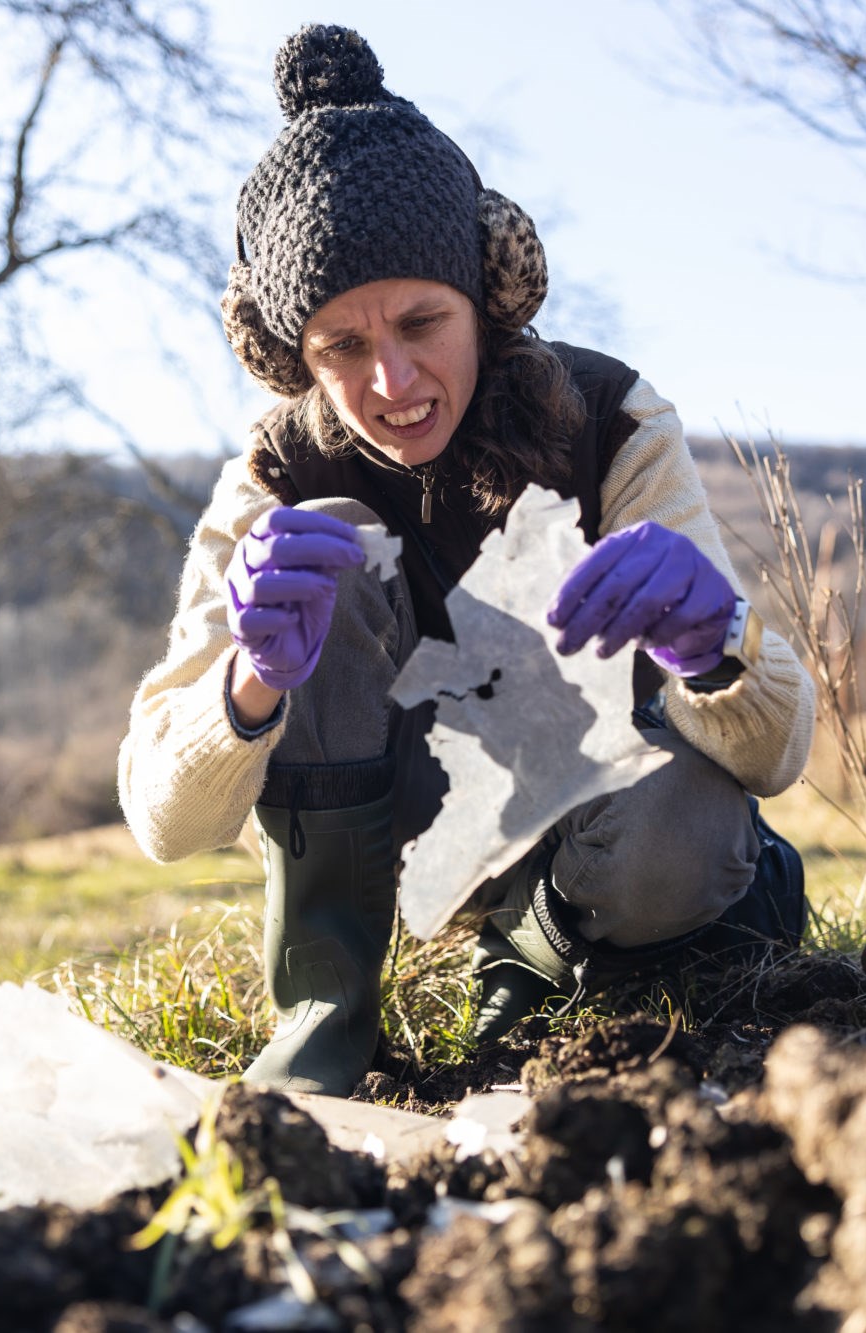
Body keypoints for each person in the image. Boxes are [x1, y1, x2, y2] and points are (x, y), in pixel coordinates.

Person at [118, 25, 815, 1098]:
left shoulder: (610, 422)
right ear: (288, 355)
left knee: (688, 831)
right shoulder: (272, 478)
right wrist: (245, 687)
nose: (391, 380)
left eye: (419, 322)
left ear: (487, 295)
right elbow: (166, 820)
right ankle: (325, 1023)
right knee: (334, 546)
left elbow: (773, 754)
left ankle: (542, 958)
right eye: (339, 348)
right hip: (422, 844)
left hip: (611, 823)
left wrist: (715, 643)